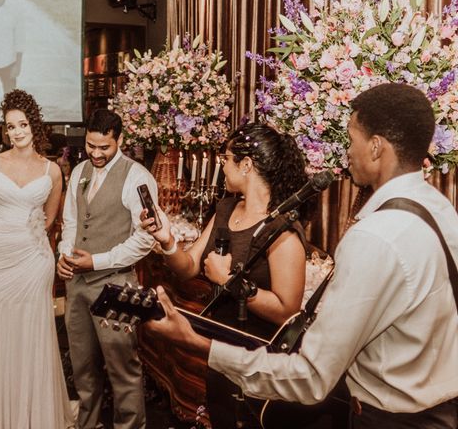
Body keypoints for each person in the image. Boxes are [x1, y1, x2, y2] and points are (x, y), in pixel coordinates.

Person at [145, 83, 458, 428]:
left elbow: (311, 376)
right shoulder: (441, 211)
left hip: (390, 419)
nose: (346, 153)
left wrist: (197, 342)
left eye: (351, 141)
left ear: (375, 147)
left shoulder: (375, 236)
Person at [141, 123, 310, 428]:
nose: (222, 167)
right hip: (218, 349)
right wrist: (167, 240)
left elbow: (287, 310)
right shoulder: (226, 208)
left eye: (226, 159)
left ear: (246, 165)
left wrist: (229, 280)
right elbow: (189, 266)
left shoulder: (281, 229)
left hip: (256, 358)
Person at [0, 89, 72, 428]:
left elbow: (50, 221)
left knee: (29, 338)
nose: (17, 132)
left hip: (32, 262)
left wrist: (26, 242)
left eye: (22, 125)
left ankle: (28, 416)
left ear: (34, 126)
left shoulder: (52, 171)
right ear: (4, 130)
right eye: (10, 126)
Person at [56, 109, 158, 429]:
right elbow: (70, 222)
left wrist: (97, 261)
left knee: (122, 369)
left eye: (105, 147)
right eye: (91, 146)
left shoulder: (137, 176)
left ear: (120, 140)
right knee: (83, 368)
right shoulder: (79, 171)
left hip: (118, 284)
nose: (96, 154)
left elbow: (145, 240)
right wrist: (64, 254)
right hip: (78, 284)